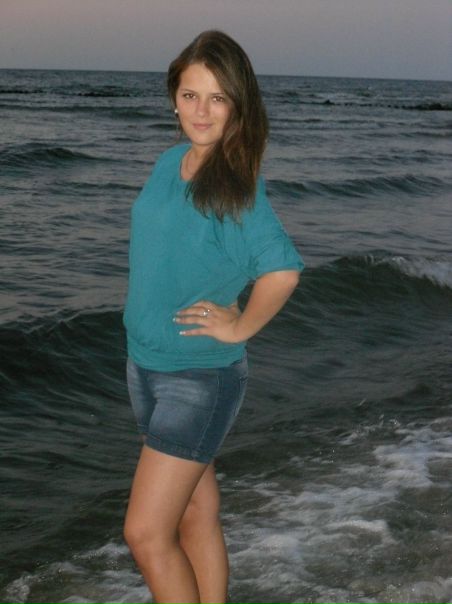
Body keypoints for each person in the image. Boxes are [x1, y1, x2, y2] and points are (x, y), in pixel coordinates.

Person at [123, 30, 304, 604]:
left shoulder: (237, 188)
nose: (201, 112)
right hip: (146, 366)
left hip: (198, 379)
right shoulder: (169, 162)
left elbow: (282, 271)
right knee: (195, 511)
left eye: (218, 98)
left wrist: (240, 325)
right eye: (190, 95)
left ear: (238, 105)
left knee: (145, 535)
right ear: (173, 98)